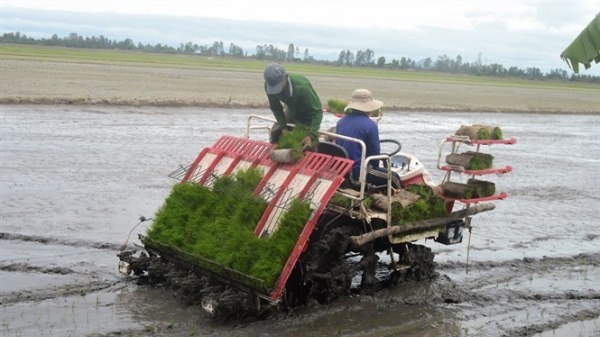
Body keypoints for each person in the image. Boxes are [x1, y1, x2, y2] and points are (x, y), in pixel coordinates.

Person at [335, 89, 401, 190]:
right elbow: (374, 153)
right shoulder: (370, 125)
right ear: (369, 108)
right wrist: (375, 168)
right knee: (394, 178)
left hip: (342, 168)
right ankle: (397, 202)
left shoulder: (341, 121)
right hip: (358, 171)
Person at [263, 63, 323, 146]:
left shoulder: (302, 88)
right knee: (276, 132)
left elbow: (318, 112)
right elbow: (276, 109)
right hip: (291, 109)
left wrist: (311, 135)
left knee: (308, 143)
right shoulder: (269, 86)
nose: (277, 91)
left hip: (308, 114)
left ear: (286, 77)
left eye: (278, 86)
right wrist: (284, 129)